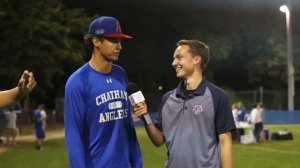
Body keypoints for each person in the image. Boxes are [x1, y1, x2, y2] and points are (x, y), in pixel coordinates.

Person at [134, 40, 236, 168]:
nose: (174, 63)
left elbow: (225, 142)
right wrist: (145, 116)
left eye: (179, 58)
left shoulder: (218, 97)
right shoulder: (168, 98)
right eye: (174, 59)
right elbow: (159, 140)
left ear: (196, 59)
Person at [64, 16, 142, 168]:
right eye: (114, 41)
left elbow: (127, 124)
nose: (119, 46)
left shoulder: (120, 74)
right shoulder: (77, 82)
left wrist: (137, 161)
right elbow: (74, 135)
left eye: (120, 41)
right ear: (96, 41)